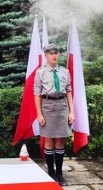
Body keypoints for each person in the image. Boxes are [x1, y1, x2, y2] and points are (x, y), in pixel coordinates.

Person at [34, 44, 74, 186]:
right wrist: (39, 114)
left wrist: (71, 111)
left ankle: (59, 174)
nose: (54, 55)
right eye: (50, 53)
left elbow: (69, 91)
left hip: (62, 106)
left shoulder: (65, 71)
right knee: (50, 140)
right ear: (46, 55)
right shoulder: (41, 72)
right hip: (48, 106)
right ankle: (51, 172)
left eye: (56, 53)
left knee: (60, 141)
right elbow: (37, 94)